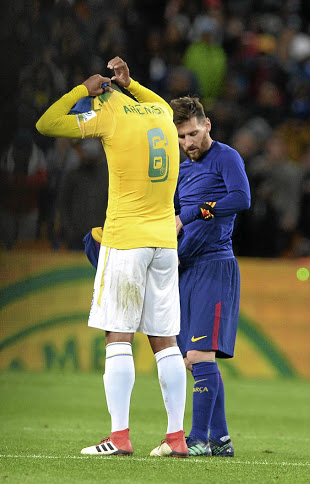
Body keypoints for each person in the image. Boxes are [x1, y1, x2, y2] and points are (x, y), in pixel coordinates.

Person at [36, 56, 188, 458]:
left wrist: (83, 91)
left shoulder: (105, 112)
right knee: (165, 341)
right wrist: (130, 82)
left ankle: (119, 436)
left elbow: (47, 123)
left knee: (117, 335)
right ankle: (176, 439)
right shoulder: (160, 111)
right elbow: (156, 101)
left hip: (125, 239)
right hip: (164, 242)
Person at [170, 96, 251, 456]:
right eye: (181, 136)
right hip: (185, 268)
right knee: (192, 359)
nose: (188, 143)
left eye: (192, 133)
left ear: (207, 126)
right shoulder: (180, 168)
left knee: (201, 355)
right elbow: (171, 213)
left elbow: (241, 198)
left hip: (215, 265)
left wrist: (193, 213)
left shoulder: (226, 157)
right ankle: (219, 439)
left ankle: (198, 437)